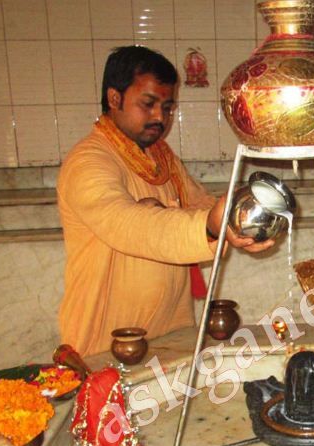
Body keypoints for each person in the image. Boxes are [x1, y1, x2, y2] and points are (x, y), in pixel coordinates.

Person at [57, 46, 272, 356]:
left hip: (171, 333)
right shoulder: (88, 162)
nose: (160, 117)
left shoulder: (161, 157)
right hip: (108, 344)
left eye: (167, 107)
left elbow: (200, 205)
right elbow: (128, 224)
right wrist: (210, 226)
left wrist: (238, 221)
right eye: (148, 104)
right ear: (115, 98)